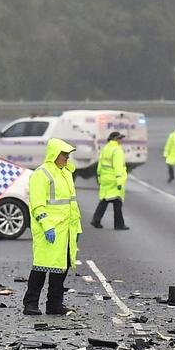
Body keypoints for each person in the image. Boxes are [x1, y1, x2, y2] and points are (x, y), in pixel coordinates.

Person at [24, 138, 83, 315]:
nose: (67, 158)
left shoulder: (65, 173)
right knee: (41, 268)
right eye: (64, 154)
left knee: (61, 269)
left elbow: (71, 204)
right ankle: (30, 304)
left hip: (66, 230)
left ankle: (54, 305)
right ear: (54, 154)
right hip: (49, 231)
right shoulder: (41, 174)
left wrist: (77, 228)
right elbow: (37, 205)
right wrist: (47, 225)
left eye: (68, 155)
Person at [91, 131, 129, 230]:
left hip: (105, 178)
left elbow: (100, 164)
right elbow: (118, 166)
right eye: (120, 138)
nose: (121, 140)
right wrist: (119, 180)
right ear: (115, 139)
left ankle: (96, 220)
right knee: (117, 201)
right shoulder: (117, 150)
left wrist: (99, 177)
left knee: (104, 200)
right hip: (114, 179)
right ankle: (119, 224)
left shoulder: (106, 148)